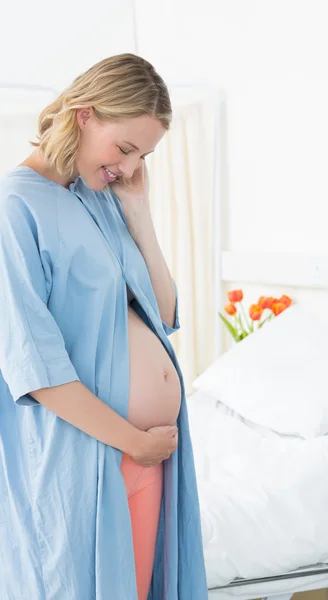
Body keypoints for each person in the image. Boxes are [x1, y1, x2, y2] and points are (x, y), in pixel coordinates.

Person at [0, 53, 208, 599]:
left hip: (146, 455)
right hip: (85, 457)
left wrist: (138, 212)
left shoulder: (101, 197)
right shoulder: (14, 208)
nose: (130, 166)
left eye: (143, 155)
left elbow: (164, 314)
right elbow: (35, 368)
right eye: (125, 148)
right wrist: (133, 442)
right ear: (85, 114)